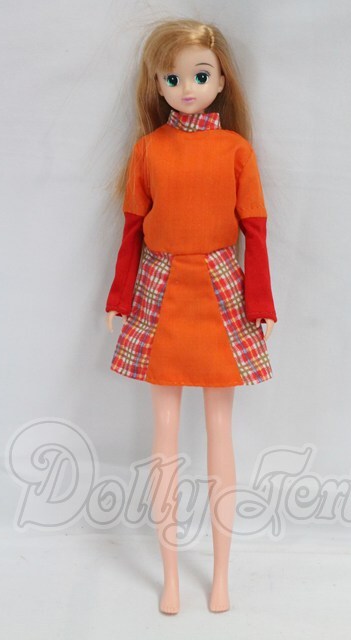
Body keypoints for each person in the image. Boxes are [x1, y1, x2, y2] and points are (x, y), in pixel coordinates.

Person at [105, 18, 278, 614]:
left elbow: (255, 230)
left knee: (219, 429)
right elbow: (132, 229)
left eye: (200, 76)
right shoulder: (149, 149)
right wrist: (119, 296)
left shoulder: (236, 151)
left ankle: (222, 573)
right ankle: (172, 575)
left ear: (221, 81)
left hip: (220, 288)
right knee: (165, 435)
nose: (186, 88)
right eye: (173, 78)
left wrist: (261, 302)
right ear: (157, 84)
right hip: (159, 288)